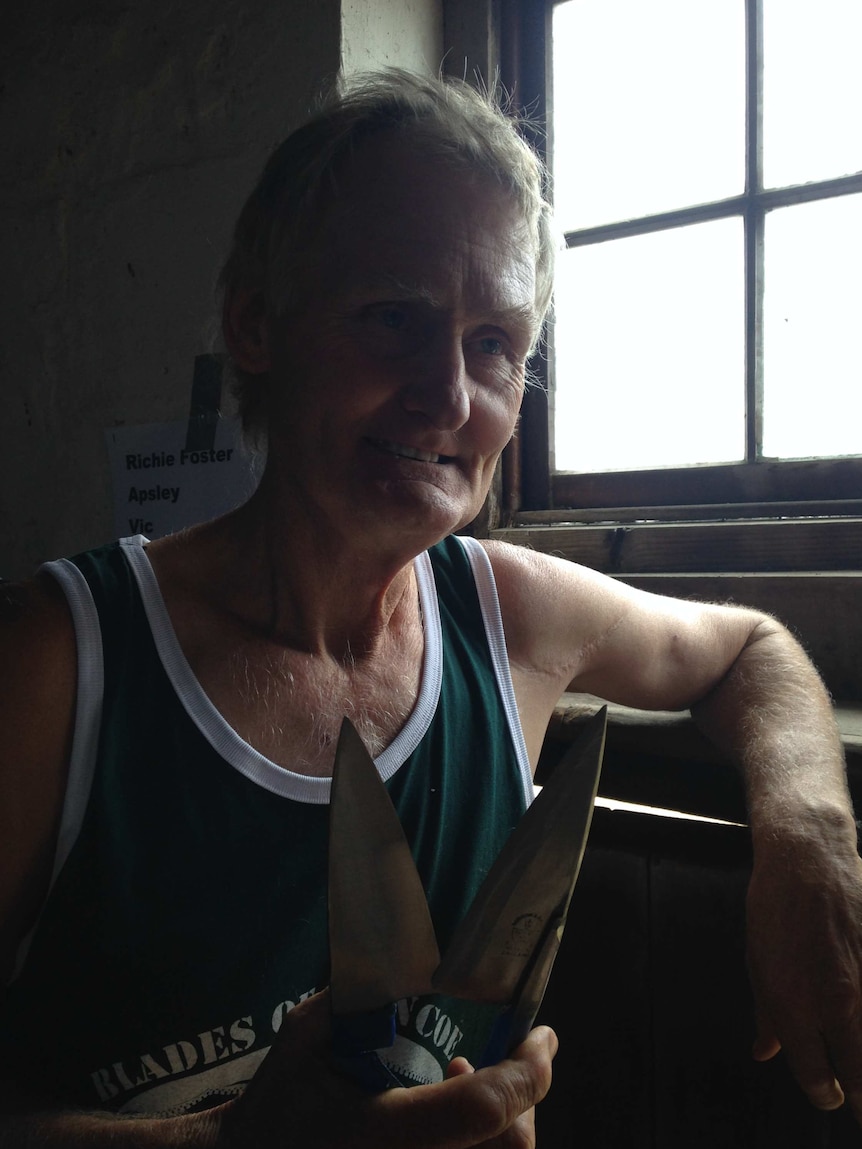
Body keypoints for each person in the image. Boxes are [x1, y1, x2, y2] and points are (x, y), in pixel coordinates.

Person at [1, 69, 861, 1147]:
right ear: (259, 324)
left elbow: (749, 649)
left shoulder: (509, 614)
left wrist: (808, 838)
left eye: (493, 343)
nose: (449, 397)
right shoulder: (65, 662)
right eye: (393, 319)